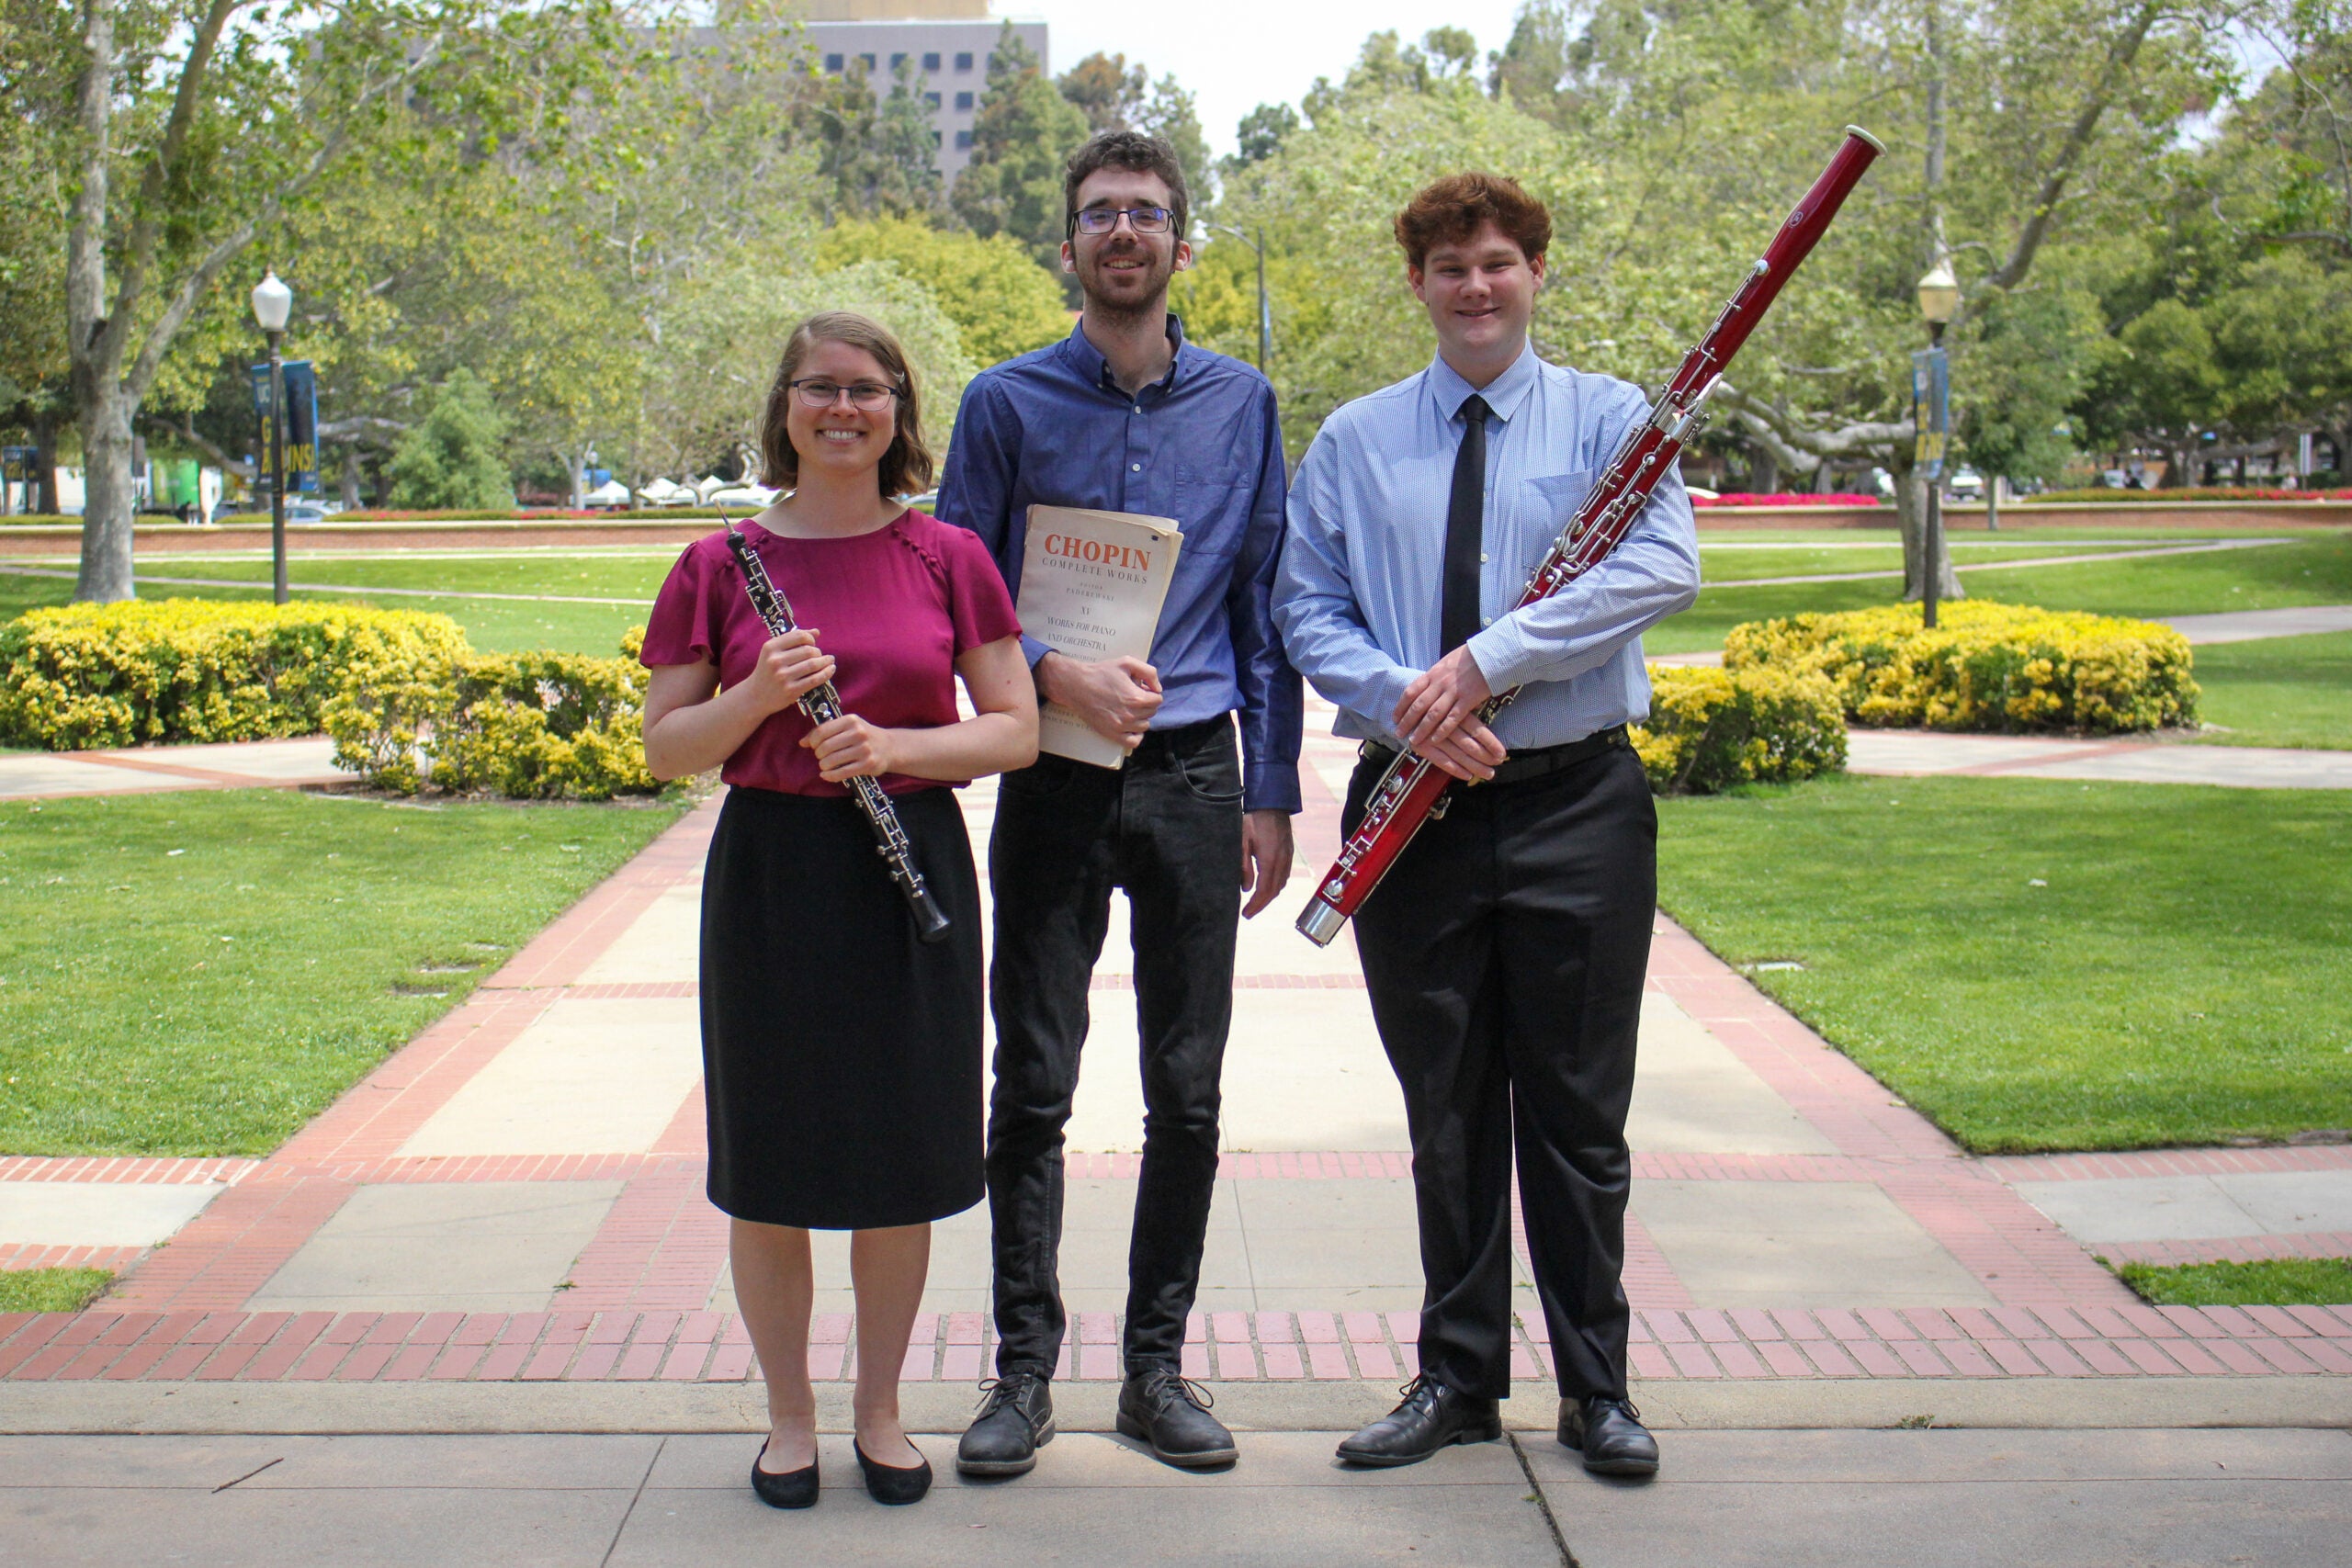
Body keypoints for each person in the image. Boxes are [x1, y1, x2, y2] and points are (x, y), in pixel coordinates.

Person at [1274, 173, 1699, 1475]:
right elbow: (1306, 606)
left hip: (1575, 802)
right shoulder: (1355, 438)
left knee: (1576, 1114)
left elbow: (1662, 565)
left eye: (1499, 262)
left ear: (1535, 273)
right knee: (1447, 1111)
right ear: (1417, 285)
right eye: (1450, 266)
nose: (1476, 285)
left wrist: (1491, 660)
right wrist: (1408, 699)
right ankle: (1456, 1381)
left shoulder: (1612, 421)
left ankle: (1597, 1391)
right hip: (1416, 810)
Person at [934, 129, 1303, 1476]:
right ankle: (1022, 1373)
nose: (1125, 233)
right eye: (1101, 214)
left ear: (1179, 243)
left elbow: (1264, 607)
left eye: (1148, 212)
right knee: (1031, 1082)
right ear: (1070, 247)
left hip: (1197, 768)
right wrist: (1048, 674)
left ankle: (1158, 1368)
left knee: (1186, 1090)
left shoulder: (1244, 404)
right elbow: (951, 595)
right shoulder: (1006, 404)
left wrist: (1271, 789)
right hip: (1053, 774)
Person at [639, 311, 1038, 1509]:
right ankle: (790, 1419)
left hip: (906, 857)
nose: (844, 409)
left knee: (901, 1155)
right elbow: (666, 746)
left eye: (868, 390)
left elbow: (1015, 729)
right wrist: (759, 693)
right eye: (821, 389)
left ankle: (881, 1411)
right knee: (771, 1158)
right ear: (787, 407)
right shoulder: (717, 566)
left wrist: (898, 743)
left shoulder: (948, 555)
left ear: (899, 412)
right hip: (771, 873)